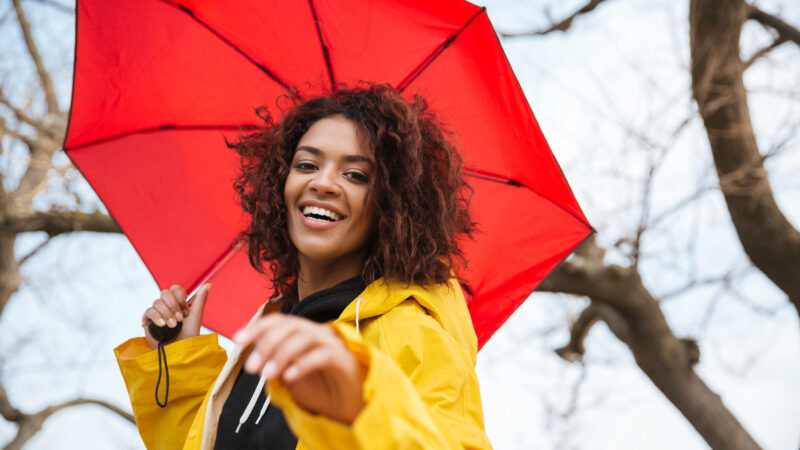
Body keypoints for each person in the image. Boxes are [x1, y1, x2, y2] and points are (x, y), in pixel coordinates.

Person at [114, 84, 492, 449]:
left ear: (392, 206)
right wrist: (182, 368)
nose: (323, 183)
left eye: (355, 175)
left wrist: (364, 406)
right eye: (307, 164)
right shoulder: (270, 335)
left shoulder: (412, 334)